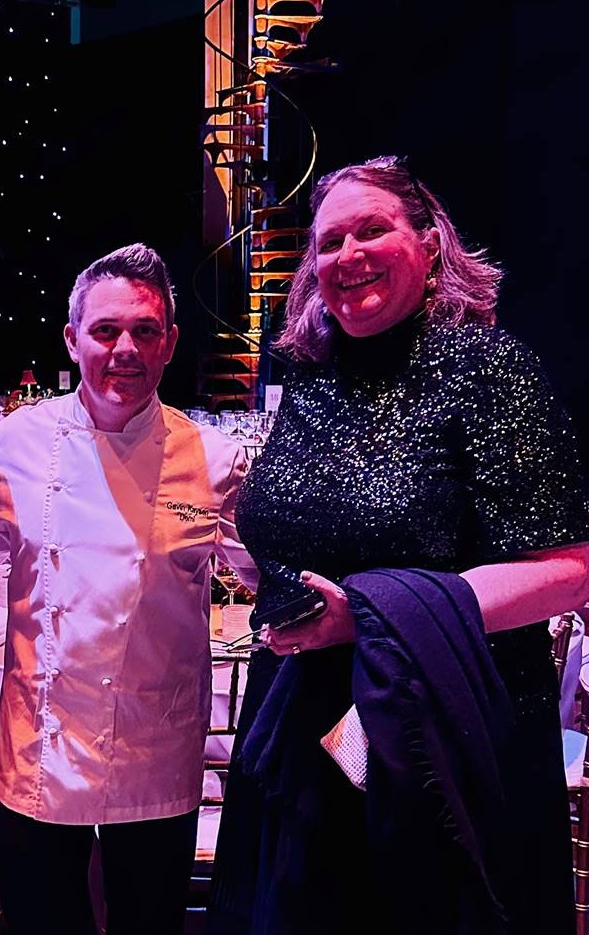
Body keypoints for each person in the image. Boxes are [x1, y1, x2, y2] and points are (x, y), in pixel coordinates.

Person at [208, 156, 589, 935]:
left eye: (370, 229)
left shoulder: (486, 369)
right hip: (305, 721)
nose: (346, 255)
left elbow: (566, 573)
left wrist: (373, 615)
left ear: (428, 242)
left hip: (437, 735)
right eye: (328, 241)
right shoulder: (311, 379)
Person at [0, 244, 257, 935]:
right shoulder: (14, 442)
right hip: (40, 750)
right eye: (105, 331)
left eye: (145, 331)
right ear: (71, 339)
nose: (125, 349)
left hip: (158, 748)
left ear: (171, 342)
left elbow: (265, 578)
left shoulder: (212, 458)